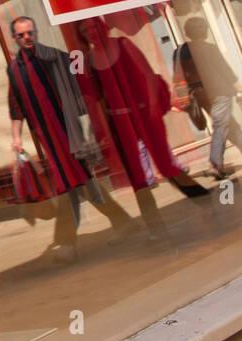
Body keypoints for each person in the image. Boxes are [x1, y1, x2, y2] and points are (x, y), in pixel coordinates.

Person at [7, 16, 134, 261]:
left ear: (36, 32)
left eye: (30, 32)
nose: (27, 38)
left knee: (75, 184)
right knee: (76, 184)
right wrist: (16, 137)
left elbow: (80, 89)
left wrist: (89, 123)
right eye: (21, 35)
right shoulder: (14, 69)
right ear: (14, 38)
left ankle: (70, 243)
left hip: (69, 133)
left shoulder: (54, 57)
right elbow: (15, 105)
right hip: (48, 139)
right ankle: (115, 223)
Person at [75, 18, 208, 236]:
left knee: (166, 165)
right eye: (86, 30)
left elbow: (147, 74)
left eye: (93, 27)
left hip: (144, 113)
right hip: (119, 121)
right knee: (137, 177)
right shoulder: (89, 60)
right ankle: (155, 226)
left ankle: (203, 199)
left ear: (102, 27)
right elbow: (96, 96)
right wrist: (103, 127)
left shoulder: (123, 44)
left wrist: (154, 106)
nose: (91, 32)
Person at [178, 17, 242, 179]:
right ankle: (215, 164)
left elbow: (179, 76)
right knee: (221, 126)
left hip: (197, 94)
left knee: (229, 124)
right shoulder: (210, 48)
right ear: (205, 31)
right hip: (218, 93)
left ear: (186, 32)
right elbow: (226, 72)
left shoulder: (180, 51)